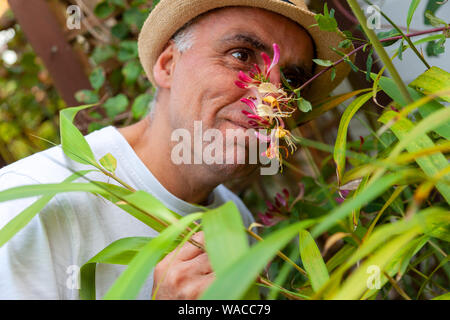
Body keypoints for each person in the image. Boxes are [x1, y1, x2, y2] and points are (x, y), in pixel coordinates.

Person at [0, 0, 352, 299]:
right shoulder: (31, 200)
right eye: (241, 55)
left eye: (291, 80)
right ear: (167, 64)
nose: (272, 99)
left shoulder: (236, 219)